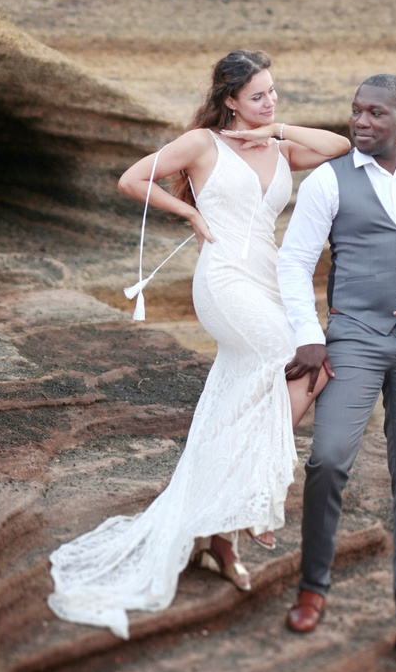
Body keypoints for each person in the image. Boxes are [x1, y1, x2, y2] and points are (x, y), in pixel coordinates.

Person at [45, 49, 327, 639]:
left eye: (273, 93)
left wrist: (272, 129)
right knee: (295, 358)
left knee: (282, 381)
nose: (269, 102)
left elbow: (340, 147)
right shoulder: (202, 143)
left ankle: (219, 535)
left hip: (269, 278)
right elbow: (131, 179)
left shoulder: (278, 146)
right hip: (224, 280)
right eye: (257, 97)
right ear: (229, 101)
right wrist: (190, 216)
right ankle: (254, 496)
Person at [263, 74, 396, 672]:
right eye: (355, 112)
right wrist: (308, 336)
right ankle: (313, 588)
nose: (360, 122)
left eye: (375, 114)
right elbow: (295, 262)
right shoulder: (329, 181)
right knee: (328, 459)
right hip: (352, 340)